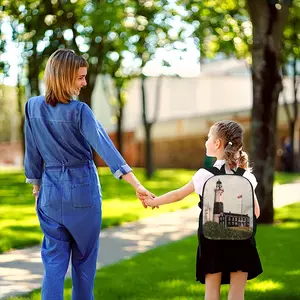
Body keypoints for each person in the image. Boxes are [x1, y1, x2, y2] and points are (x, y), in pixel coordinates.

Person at [24, 48, 154, 300]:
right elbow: (106, 148)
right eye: (80, 77)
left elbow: (32, 153)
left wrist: (37, 188)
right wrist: (136, 184)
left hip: (49, 194)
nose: (84, 83)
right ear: (64, 77)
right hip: (82, 191)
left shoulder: (32, 107)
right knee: (84, 264)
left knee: (53, 264)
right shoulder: (79, 111)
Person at [144, 120, 263, 300]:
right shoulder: (247, 177)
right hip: (241, 242)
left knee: (211, 293)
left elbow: (178, 195)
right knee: (237, 294)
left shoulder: (205, 175)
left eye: (208, 138)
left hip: (212, 243)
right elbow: (256, 212)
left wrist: (154, 202)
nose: (206, 142)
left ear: (217, 144)